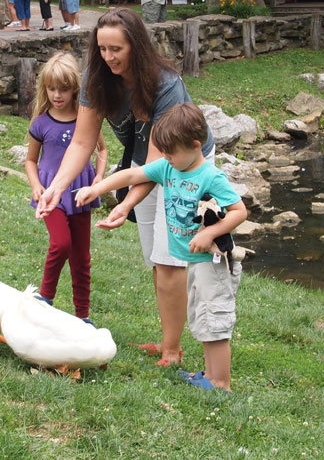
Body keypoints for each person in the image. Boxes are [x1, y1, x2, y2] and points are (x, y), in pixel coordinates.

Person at [36, 8, 216, 368]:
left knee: (169, 258)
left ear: (136, 45)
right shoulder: (96, 78)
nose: (109, 57)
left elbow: (156, 165)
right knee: (156, 257)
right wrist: (56, 186)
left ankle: (171, 352)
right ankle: (170, 342)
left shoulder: (165, 84)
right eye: (102, 48)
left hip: (184, 166)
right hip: (142, 162)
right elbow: (82, 143)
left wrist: (122, 205)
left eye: (116, 49)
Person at [75, 103, 245, 391]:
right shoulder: (170, 167)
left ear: (195, 145)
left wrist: (211, 233)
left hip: (213, 261)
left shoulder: (210, 177)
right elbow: (131, 176)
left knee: (214, 322)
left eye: (171, 152)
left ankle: (221, 383)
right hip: (197, 262)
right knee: (201, 319)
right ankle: (209, 375)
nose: (166, 158)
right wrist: (96, 188)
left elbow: (239, 211)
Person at [25, 53, 108, 322]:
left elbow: (102, 150)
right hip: (52, 195)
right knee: (61, 243)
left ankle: (82, 316)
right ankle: (45, 298)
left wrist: (99, 178)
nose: (57, 95)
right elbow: (30, 160)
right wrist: (36, 185)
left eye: (63, 89)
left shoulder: (86, 118)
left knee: (81, 258)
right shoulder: (40, 123)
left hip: (81, 192)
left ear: (76, 88)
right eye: (51, 89)